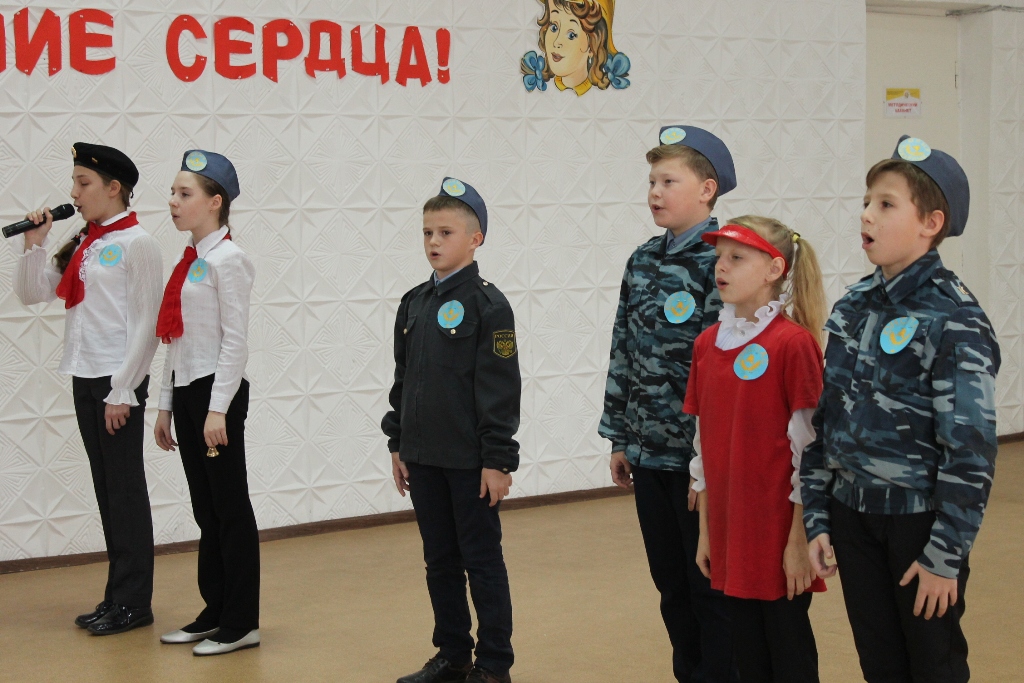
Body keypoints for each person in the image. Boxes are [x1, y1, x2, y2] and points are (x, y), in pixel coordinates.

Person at [801, 136, 1000, 683]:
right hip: (852, 515)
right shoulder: (853, 305)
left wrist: (946, 555)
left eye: (886, 204)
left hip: (919, 522)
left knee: (932, 665)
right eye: (867, 201)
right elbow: (827, 421)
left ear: (931, 223)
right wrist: (817, 515)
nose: (866, 214)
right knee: (880, 662)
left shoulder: (954, 317)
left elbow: (971, 449)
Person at [599, 125, 739, 682]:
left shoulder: (722, 260)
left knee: (708, 583)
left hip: (696, 460)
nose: (655, 193)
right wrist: (619, 435)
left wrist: (709, 462)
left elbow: (722, 372)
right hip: (648, 452)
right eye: (652, 182)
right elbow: (623, 349)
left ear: (707, 190)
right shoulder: (642, 260)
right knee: (671, 586)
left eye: (668, 182)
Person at [12, 143, 161, 635]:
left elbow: (146, 325)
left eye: (83, 183)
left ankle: (134, 602)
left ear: (114, 188)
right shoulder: (84, 240)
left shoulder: (138, 243)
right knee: (106, 489)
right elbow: (32, 292)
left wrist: (123, 390)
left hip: (116, 382)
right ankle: (116, 596)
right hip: (84, 375)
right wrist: (36, 243)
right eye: (74, 183)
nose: (74, 193)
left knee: (125, 489)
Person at [382, 178, 521, 683]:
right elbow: (404, 380)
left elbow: (500, 390)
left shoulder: (489, 306)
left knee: (481, 562)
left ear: (475, 238)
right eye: (427, 233)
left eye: (446, 232)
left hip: (470, 462)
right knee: (439, 561)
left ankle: (494, 664)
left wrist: (497, 460)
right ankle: (452, 654)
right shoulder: (415, 302)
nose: (434, 242)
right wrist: (398, 442)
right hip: (423, 456)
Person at [685, 217, 828, 682]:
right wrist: (707, 532)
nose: (721, 267)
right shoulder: (707, 344)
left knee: (788, 650)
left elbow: (810, 451)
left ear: (774, 269)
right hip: (731, 527)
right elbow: (704, 448)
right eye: (718, 257)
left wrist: (798, 540)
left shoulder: (793, 344)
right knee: (746, 653)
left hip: (778, 529)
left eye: (736, 257)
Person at [153, 150, 260, 656]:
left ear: (215, 202)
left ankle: (241, 622)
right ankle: (214, 610)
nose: (173, 202)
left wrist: (218, 408)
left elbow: (235, 341)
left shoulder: (228, 260)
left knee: (230, 507)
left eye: (185, 193)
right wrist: (165, 404)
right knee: (205, 508)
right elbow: (176, 340)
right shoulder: (190, 262)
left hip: (219, 394)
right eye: (173, 193)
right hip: (189, 390)